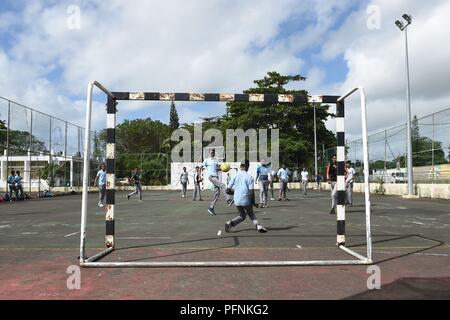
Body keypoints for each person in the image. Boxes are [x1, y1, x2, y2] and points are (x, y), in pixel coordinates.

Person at [224, 160, 267, 233]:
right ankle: (258, 226)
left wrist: (235, 193)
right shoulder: (249, 177)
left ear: (240, 166)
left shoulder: (235, 175)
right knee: (251, 213)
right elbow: (251, 192)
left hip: (237, 200)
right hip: (245, 200)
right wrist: (253, 203)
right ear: (248, 167)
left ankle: (230, 223)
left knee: (242, 215)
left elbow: (227, 191)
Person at [202, 149, 232, 215]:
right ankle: (228, 200)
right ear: (209, 153)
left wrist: (226, 168)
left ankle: (211, 208)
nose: (212, 154)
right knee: (223, 185)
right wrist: (200, 175)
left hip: (216, 177)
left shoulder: (216, 160)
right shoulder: (206, 160)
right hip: (211, 177)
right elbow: (201, 167)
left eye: (213, 153)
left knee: (217, 193)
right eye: (211, 152)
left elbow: (218, 168)